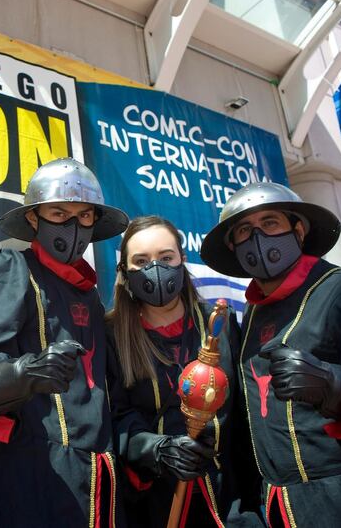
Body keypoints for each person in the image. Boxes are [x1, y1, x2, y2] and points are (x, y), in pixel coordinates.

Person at [200, 182, 341, 527]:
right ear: (233, 247)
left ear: (298, 230)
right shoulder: (249, 320)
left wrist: (337, 386)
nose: (258, 238)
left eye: (270, 223)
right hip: (280, 513)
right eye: (244, 231)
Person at [0, 158, 129, 527]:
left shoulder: (91, 296)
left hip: (96, 483)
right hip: (30, 478)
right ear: (34, 218)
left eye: (84, 216)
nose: (73, 226)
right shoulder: (10, 267)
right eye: (59, 213)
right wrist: (24, 371)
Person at [106, 216, 243, 527]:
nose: (155, 268)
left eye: (166, 257)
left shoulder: (220, 324)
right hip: (155, 504)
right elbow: (112, 416)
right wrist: (156, 449)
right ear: (125, 272)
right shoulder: (111, 335)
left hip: (227, 501)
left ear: (182, 259)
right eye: (141, 261)